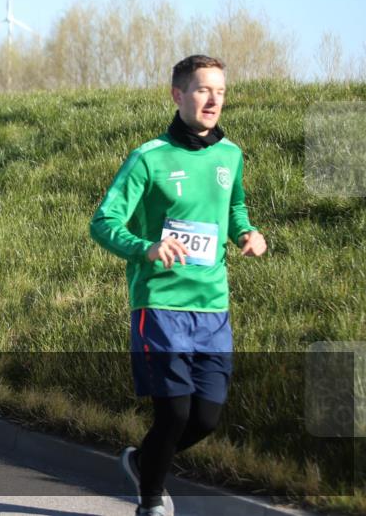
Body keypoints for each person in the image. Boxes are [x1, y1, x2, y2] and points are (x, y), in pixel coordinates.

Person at [90, 55, 267, 516]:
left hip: (213, 307)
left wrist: (247, 233)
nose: (213, 100)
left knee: (205, 418)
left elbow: (234, 209)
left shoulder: (230, 156)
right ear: (178, 95)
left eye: (220, 92)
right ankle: (150, 502)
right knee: (174, 413)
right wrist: (145, 248)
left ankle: (141, 462)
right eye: (203, 90)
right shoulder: (148, 158)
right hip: (161, 304)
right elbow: (103, 222)